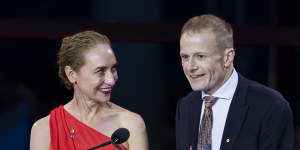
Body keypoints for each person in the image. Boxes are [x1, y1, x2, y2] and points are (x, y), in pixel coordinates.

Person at [176, 14, 294, 150]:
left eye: (200, 56)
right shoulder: (185, 107)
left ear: (227, 57)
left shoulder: (271, 107)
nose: (190, 67)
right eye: (185, 57)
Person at [30, 31, 149, 150]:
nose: (111, 80)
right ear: (71, 74)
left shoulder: (131, 124)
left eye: (113, 69)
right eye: (100, 71)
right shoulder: (45, 129)